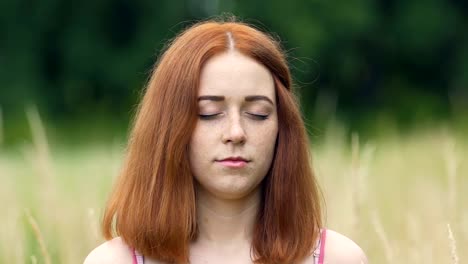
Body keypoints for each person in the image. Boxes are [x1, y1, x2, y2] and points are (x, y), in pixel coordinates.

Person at [84, 17, 368, 264]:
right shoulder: (112, 262)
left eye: (258, 113)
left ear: (283, 127)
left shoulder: (338, 259)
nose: (236, 132)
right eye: (209, 113)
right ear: (168, 128)